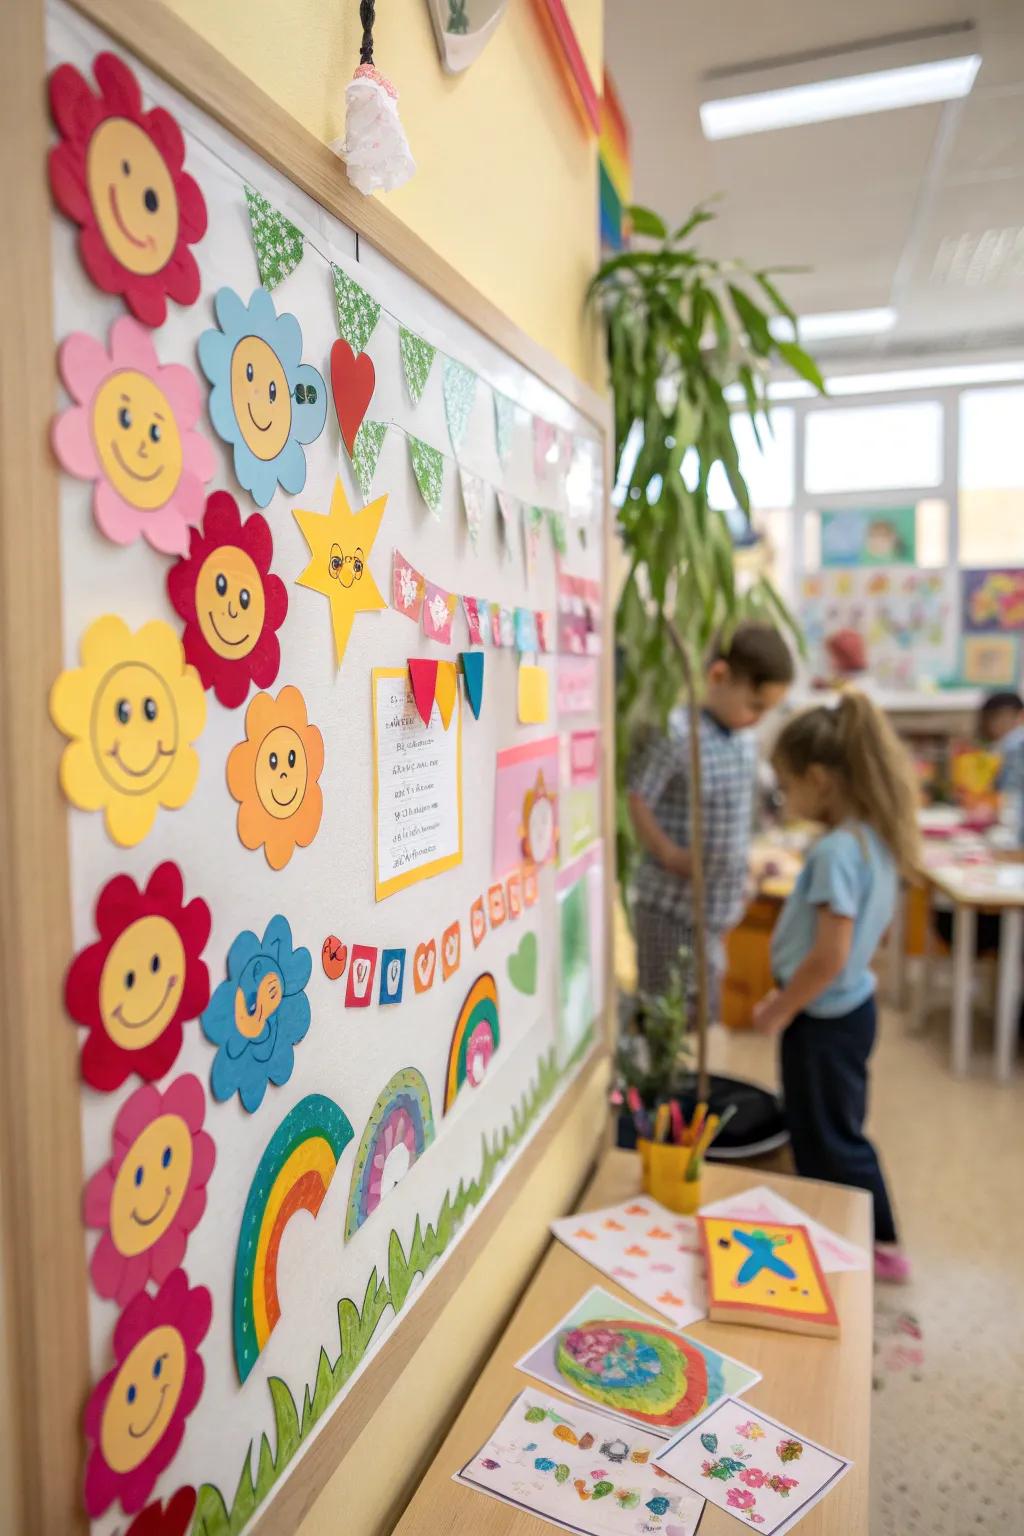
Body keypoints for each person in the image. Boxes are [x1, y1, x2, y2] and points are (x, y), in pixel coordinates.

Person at [752, 691, 918, 1284]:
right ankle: (855, 1232)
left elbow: (828, 957)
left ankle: (879, 1244)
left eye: (786, 784)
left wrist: (778, 1007)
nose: (784, 798)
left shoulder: (833, 853)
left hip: (821, 1019)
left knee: (828, 1136)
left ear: (819, 779)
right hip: (850, 1011)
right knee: (833, 1127)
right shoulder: (872, 839)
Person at [627, 622, 795, 1013]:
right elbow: (637, 797)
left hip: (716, 911)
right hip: (671, 907)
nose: (758, 718)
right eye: (755, 705)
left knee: (703, 1009)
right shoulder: (677, 733)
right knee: (665, 1013)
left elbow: (741, 810)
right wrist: (668, 854)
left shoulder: (744, 740)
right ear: (718, 676)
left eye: (766, 711)